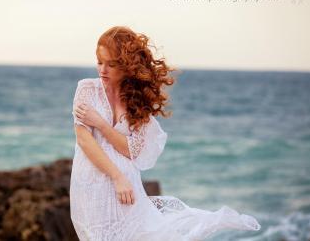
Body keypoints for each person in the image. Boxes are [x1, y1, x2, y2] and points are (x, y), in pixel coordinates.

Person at [70, 26, 261, 240]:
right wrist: (116, 176)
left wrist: (101, 124)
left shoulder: (137, 101)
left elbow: (131, 150)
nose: (102, 70)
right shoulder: (87, 89)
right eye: (99, 62)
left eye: (111, 64)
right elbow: (85, 141)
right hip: (93, 184)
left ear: (126, 66)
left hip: (127, 187)